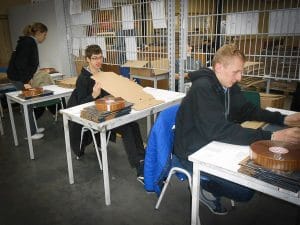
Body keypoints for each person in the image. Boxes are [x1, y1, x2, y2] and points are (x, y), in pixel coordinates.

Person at [174, 44, 300, 215]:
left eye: (241, 72)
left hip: (212, 141)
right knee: (244, 190)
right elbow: (219, 130)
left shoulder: (227, 85)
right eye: (236, 72)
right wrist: (273, 135)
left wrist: (282, 118)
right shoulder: (203, 87)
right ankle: (203, 188)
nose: (240, 78)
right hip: (191, 151)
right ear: (219, 67)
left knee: (252, 176)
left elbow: (247, 109)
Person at [67, 44, 145, 181]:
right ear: (88, 60)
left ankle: (143, 160)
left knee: (133, 124)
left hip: (105, 111)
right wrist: (93, 94)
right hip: (91, 116)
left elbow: (112, 94)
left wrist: (127, 85)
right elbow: (79, 106)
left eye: (100, 57)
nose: (98, 61)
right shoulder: (83, 79)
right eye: (94, 58)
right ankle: (140, 169)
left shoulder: (103, 75)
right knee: (126, 128)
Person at [7, 22, 48, 140]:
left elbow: (27, 63)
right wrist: (25, 80)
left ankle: (33, 128)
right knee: (27, 104)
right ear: (39, 33)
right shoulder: (28, 42)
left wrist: (28, 78)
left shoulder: (28, 41)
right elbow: (20, 63)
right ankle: (30, 133)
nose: (45, 37)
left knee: (29, 103)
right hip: (18, 77)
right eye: (44, 35)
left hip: (19, 77)